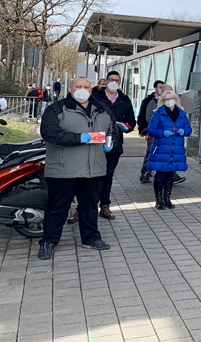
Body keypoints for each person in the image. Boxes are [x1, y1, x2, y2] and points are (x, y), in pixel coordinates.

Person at [37, 77, 116, 260]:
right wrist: (78, 138)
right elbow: (49, 133)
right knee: (58, 207)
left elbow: (112, 130)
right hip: (64, 169)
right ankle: (49, 241)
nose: (82, 89)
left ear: (92, 89)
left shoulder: (102, 109)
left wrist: (111, 142)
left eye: (86, 87)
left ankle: (90, 238)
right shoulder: (56, 109)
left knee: (89, 206)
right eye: (78, 86)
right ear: (70, 89)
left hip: (93, 169)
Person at [94, 70, 136, 220]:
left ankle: (104, 206)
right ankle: (84, 207)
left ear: (120, 82)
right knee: (91, 175)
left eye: (117, 81)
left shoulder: (124, 99)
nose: (114, 83)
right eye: (111, 80)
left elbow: (132, 121)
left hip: (115, 142)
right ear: (105, 81)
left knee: (108, 175)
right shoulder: (96, 97)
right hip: (96, 141)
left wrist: (126, 126)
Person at [147, 90, 192, 211]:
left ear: (176, 100)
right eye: (166, 99)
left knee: (170, 175)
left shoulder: (182, 114)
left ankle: (167, 198)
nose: (169, 101)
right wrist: (162, 133)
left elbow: (188, 129)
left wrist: (184, 131)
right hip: (161, 148)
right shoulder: (158, 114)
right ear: (163, 101)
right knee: (160, 174)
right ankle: (159, 200)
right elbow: (151, 130)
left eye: (171, 98)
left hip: (175, 150)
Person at [137, 80, 166, 183]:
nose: (161, 89)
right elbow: (146, 117)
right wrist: (141, 129)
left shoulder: (166, 101)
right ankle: (145, 173)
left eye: (163, 87)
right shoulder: (151, 101)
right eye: (160, 87)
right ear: (155, 88)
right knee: (151, 152)